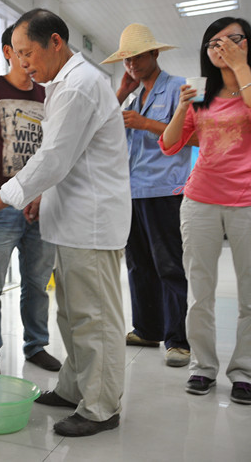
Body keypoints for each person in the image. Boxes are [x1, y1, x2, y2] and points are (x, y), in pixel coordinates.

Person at [0, 8, 131, 437]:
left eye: (28, 52)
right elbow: (66, 159)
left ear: (55, 42)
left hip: (89, 223)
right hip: (69, 220)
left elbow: (53, 158)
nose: (23, 62)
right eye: (16, 54)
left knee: (94, 319)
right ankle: (75, 388)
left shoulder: (80, 86)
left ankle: (101, 407)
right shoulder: (63, 86)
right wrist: (39, 196)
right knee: (71, 315)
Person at [160, 16, 251, 404]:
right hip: (199, 199)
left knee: (249, 295)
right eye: (214, 42)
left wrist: (241, 67)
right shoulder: (200, 92)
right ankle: (202, 367)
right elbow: (169, 145)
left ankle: (244, 371)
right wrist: (182, 107)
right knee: (200, 291)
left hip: (247, 200)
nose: (221, 46)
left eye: (232, 39)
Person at [0, 23, 59, 375]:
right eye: (23, 51)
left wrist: (44, 194)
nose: (30, 58)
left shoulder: (47, 95)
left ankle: (36, 346)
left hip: (39, 207)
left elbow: (54, 153)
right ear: (9, 52)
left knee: (37, 284)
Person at [101, 24, 191, 367]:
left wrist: (145, 123)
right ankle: (148, 329)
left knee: (169, 265)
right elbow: (101, 129)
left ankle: (178, 340)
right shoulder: (134, 97)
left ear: (154, 53)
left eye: (137, 57)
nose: (132, 65)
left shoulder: (178, 88)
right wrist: (122, 91)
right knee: (138, 265)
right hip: (132, 192)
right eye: (126, 60)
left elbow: (190, 136)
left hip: (164, 190)